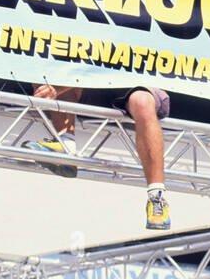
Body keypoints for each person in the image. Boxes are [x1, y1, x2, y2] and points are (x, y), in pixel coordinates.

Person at [23, 84, 173, 231]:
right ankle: (65, 146)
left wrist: (58, 89)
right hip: (88, 82)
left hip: (133, 85)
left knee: (143, 101)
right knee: (60, 76)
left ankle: (156, 196)